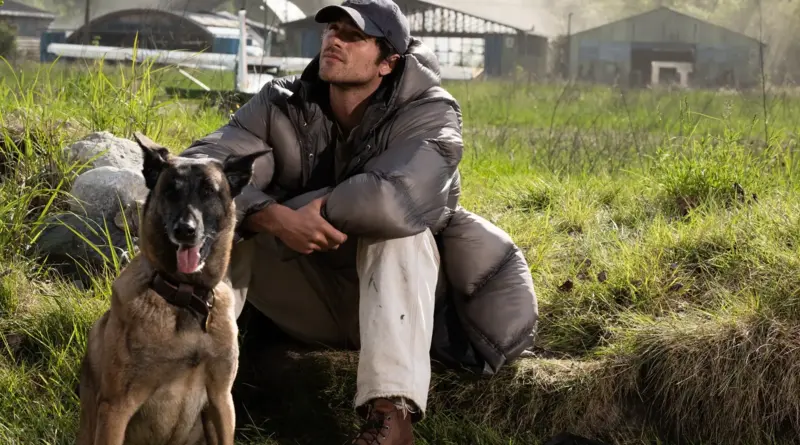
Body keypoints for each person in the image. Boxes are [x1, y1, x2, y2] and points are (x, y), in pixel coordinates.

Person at [180, 0, 539, 443]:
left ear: (388, 62)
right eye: (332, 30)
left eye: (353, 36)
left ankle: (392, 417)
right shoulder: (282, 102)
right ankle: (183, 390)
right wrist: (273, 216)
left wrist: (310, 210)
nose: (334, 40)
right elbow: (199, 169)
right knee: (227, 227)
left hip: (403, 308)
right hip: (311, 295)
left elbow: (396, 199)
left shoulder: (431, 112)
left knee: (400, 233)